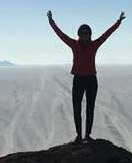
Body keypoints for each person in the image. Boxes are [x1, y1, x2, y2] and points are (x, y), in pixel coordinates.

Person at [47, 9, 125, 144]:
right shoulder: (74, 44)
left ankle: (87, 136)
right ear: (79, 34)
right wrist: (51, 22)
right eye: (82, 33)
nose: (84, 35)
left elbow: (107, 34)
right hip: (78, 80)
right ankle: (79, 136)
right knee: (76, 108)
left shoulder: (94, 45)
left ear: (90, 34)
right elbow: (61, 35)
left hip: (91, 80)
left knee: (90, 109)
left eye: (87, 33)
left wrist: (118, 23)